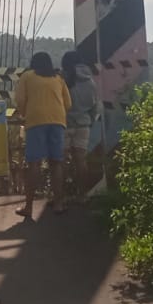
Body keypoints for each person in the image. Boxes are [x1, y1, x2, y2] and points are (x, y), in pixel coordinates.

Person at [13, 51, 70, 218]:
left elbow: (21, 100)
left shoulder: (27, 76)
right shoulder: (58, 78)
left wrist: (25, 114)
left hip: (36, 121)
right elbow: (68, 103)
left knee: (34, 163)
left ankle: (29, 207)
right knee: (56, 162)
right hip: (58, 121)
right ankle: (59, 203)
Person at [61, 50, 99, 207]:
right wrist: (89, 120)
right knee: (81, 161)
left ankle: (60, 195)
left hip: (64, 123)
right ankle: (82, 194)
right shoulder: (91, 81)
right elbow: (94, 105)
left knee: (60, 161)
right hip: (83, 124)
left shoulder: (63, 79)